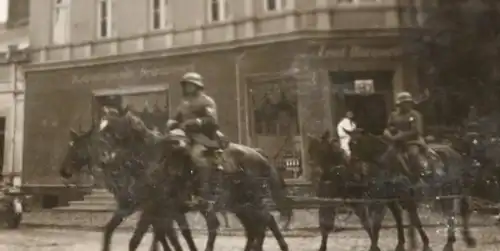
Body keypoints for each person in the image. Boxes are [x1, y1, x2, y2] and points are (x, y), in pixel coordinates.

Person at [166, 72, 226, 207]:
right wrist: (171, 122)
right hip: (185, 137)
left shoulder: (207, 101)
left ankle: (206, 193)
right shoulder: (184, 103)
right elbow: (177, 117)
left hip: (204, 137)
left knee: (197, 155)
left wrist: (195, 122)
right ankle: (181, 191)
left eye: (190, 85)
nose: (187, 87)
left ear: (197, 86)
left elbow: (212, 120)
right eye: (186, 85)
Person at [383, 92, 426, 182]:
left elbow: (416, 130)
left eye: (408, 103)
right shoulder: (393, 115)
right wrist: (387, 133)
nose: (407, 105)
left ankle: (415, 177)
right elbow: (389, 126)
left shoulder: (415, 115)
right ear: (400, 104)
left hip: (413, 141)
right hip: (396, 142)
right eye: (404, 103)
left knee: (413, 154)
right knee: (386, 155)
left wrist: (402, 135)